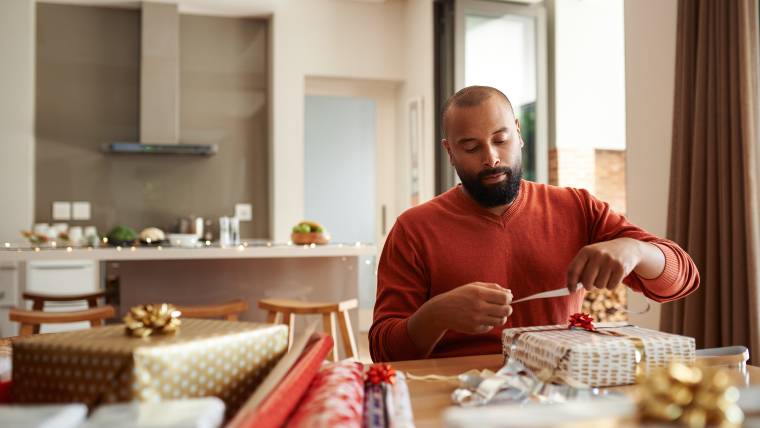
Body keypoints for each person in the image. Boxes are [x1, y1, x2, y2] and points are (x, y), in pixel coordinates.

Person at [369, 86, 699, 362]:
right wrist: (436, 314)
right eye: (470, 147)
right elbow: (384, 352)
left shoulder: (576, 206)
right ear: (449, 151)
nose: (491, 158)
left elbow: (681, 280)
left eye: (501, 139)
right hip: (455, 393)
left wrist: (635, 250)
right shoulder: (413, 229)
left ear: (519, 133)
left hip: (559, 385)